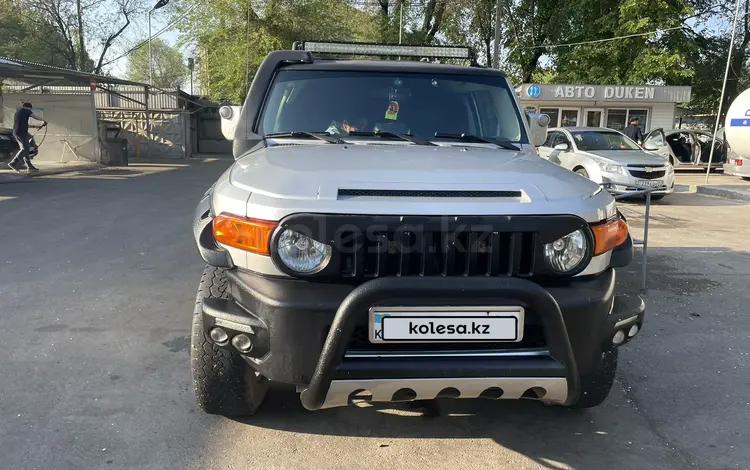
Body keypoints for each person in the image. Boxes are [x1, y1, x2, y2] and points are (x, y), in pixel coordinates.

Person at [8, 102, 46, 173]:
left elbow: (23, 123)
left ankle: (29, 166)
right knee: (26, 148)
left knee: (25, 149)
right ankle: (13, 162)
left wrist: (35, 127)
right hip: (22, 133)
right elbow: (36, 116)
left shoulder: (18, 112)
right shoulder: (26, 110)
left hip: (16, 132)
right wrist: (44, 120)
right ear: (29, 108)